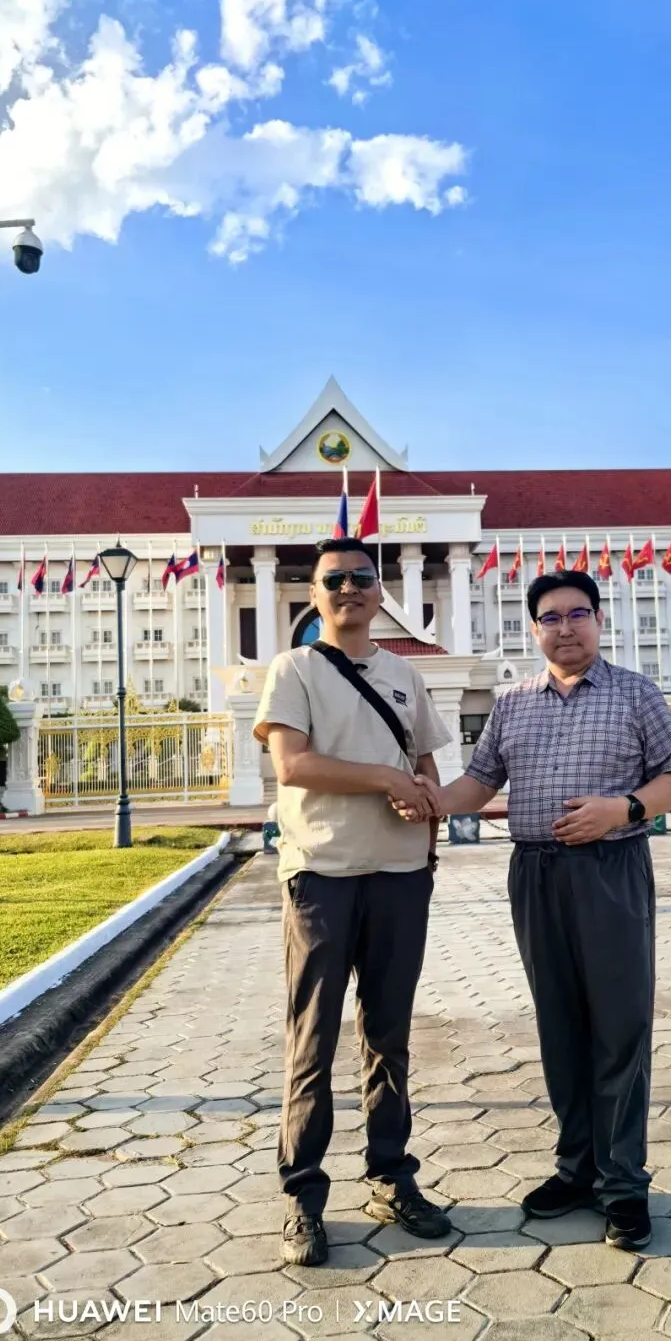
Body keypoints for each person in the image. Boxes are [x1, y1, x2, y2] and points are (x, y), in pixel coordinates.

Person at [419, 570, 671, 1251]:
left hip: (611, 871)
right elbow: (480, 781)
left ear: (598, 620)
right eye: (551, 617)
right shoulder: (513, 703)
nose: (565, 627)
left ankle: (623, 1183)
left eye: (577, 614)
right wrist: (427, 800)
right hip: (535, 874)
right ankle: (576, 1169)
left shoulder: (635, 693)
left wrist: (622, 809)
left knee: (619, 1024)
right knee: (560, 1023)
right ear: (533, 628)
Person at [252, 537, 453, 1267]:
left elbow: (425, 764)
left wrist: (423, 799)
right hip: (323, 875)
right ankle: (302, 1196)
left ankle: (391, 1176)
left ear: (379, 591)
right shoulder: (294, 669)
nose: (349, 589)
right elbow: (293, 764)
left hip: (400, 874)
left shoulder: (405, 674)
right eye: (333, 579)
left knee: (388, 1037)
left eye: (362, 578)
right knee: (312, 1039)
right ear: (314, 594)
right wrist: (384, 779)